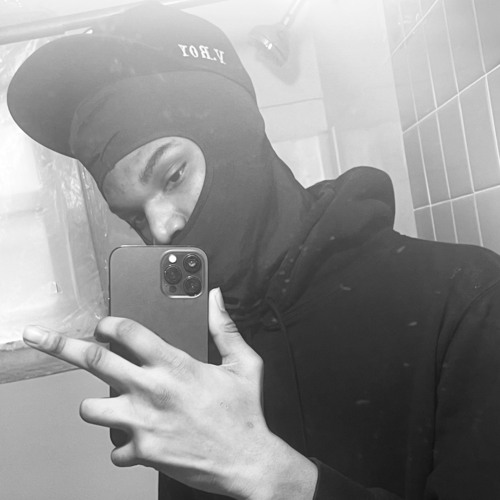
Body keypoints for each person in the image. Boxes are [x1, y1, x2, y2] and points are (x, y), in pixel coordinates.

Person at [7, 2, 500, 499]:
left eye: (173, 176)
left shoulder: (467, 299)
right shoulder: (190, 343)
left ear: (236, 137)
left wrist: (269, 474)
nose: (161, 228)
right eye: (134, 216)